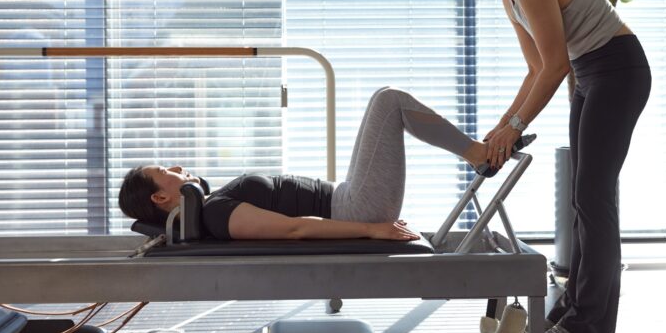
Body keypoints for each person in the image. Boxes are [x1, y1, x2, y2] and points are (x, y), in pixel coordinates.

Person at [431, 0, 651, 333]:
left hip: (618, 71)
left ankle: (590, 327)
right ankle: (573, 312)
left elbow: (554, 66)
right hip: (589, 76)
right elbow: (535, 70)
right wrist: (501, 127)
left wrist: (515, 126)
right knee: (583, 200)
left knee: (595, 199)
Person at [119, 86, 504, 243]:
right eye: (165, 171)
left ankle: (476, 152)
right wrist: (373, 229)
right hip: (356, 208)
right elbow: (294, 228)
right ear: (159, 197)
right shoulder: (216, 214)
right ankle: (478, 154)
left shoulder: (212, 205)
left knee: (383, 100)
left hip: (347, 197)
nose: (177, 166)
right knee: (388, 102)